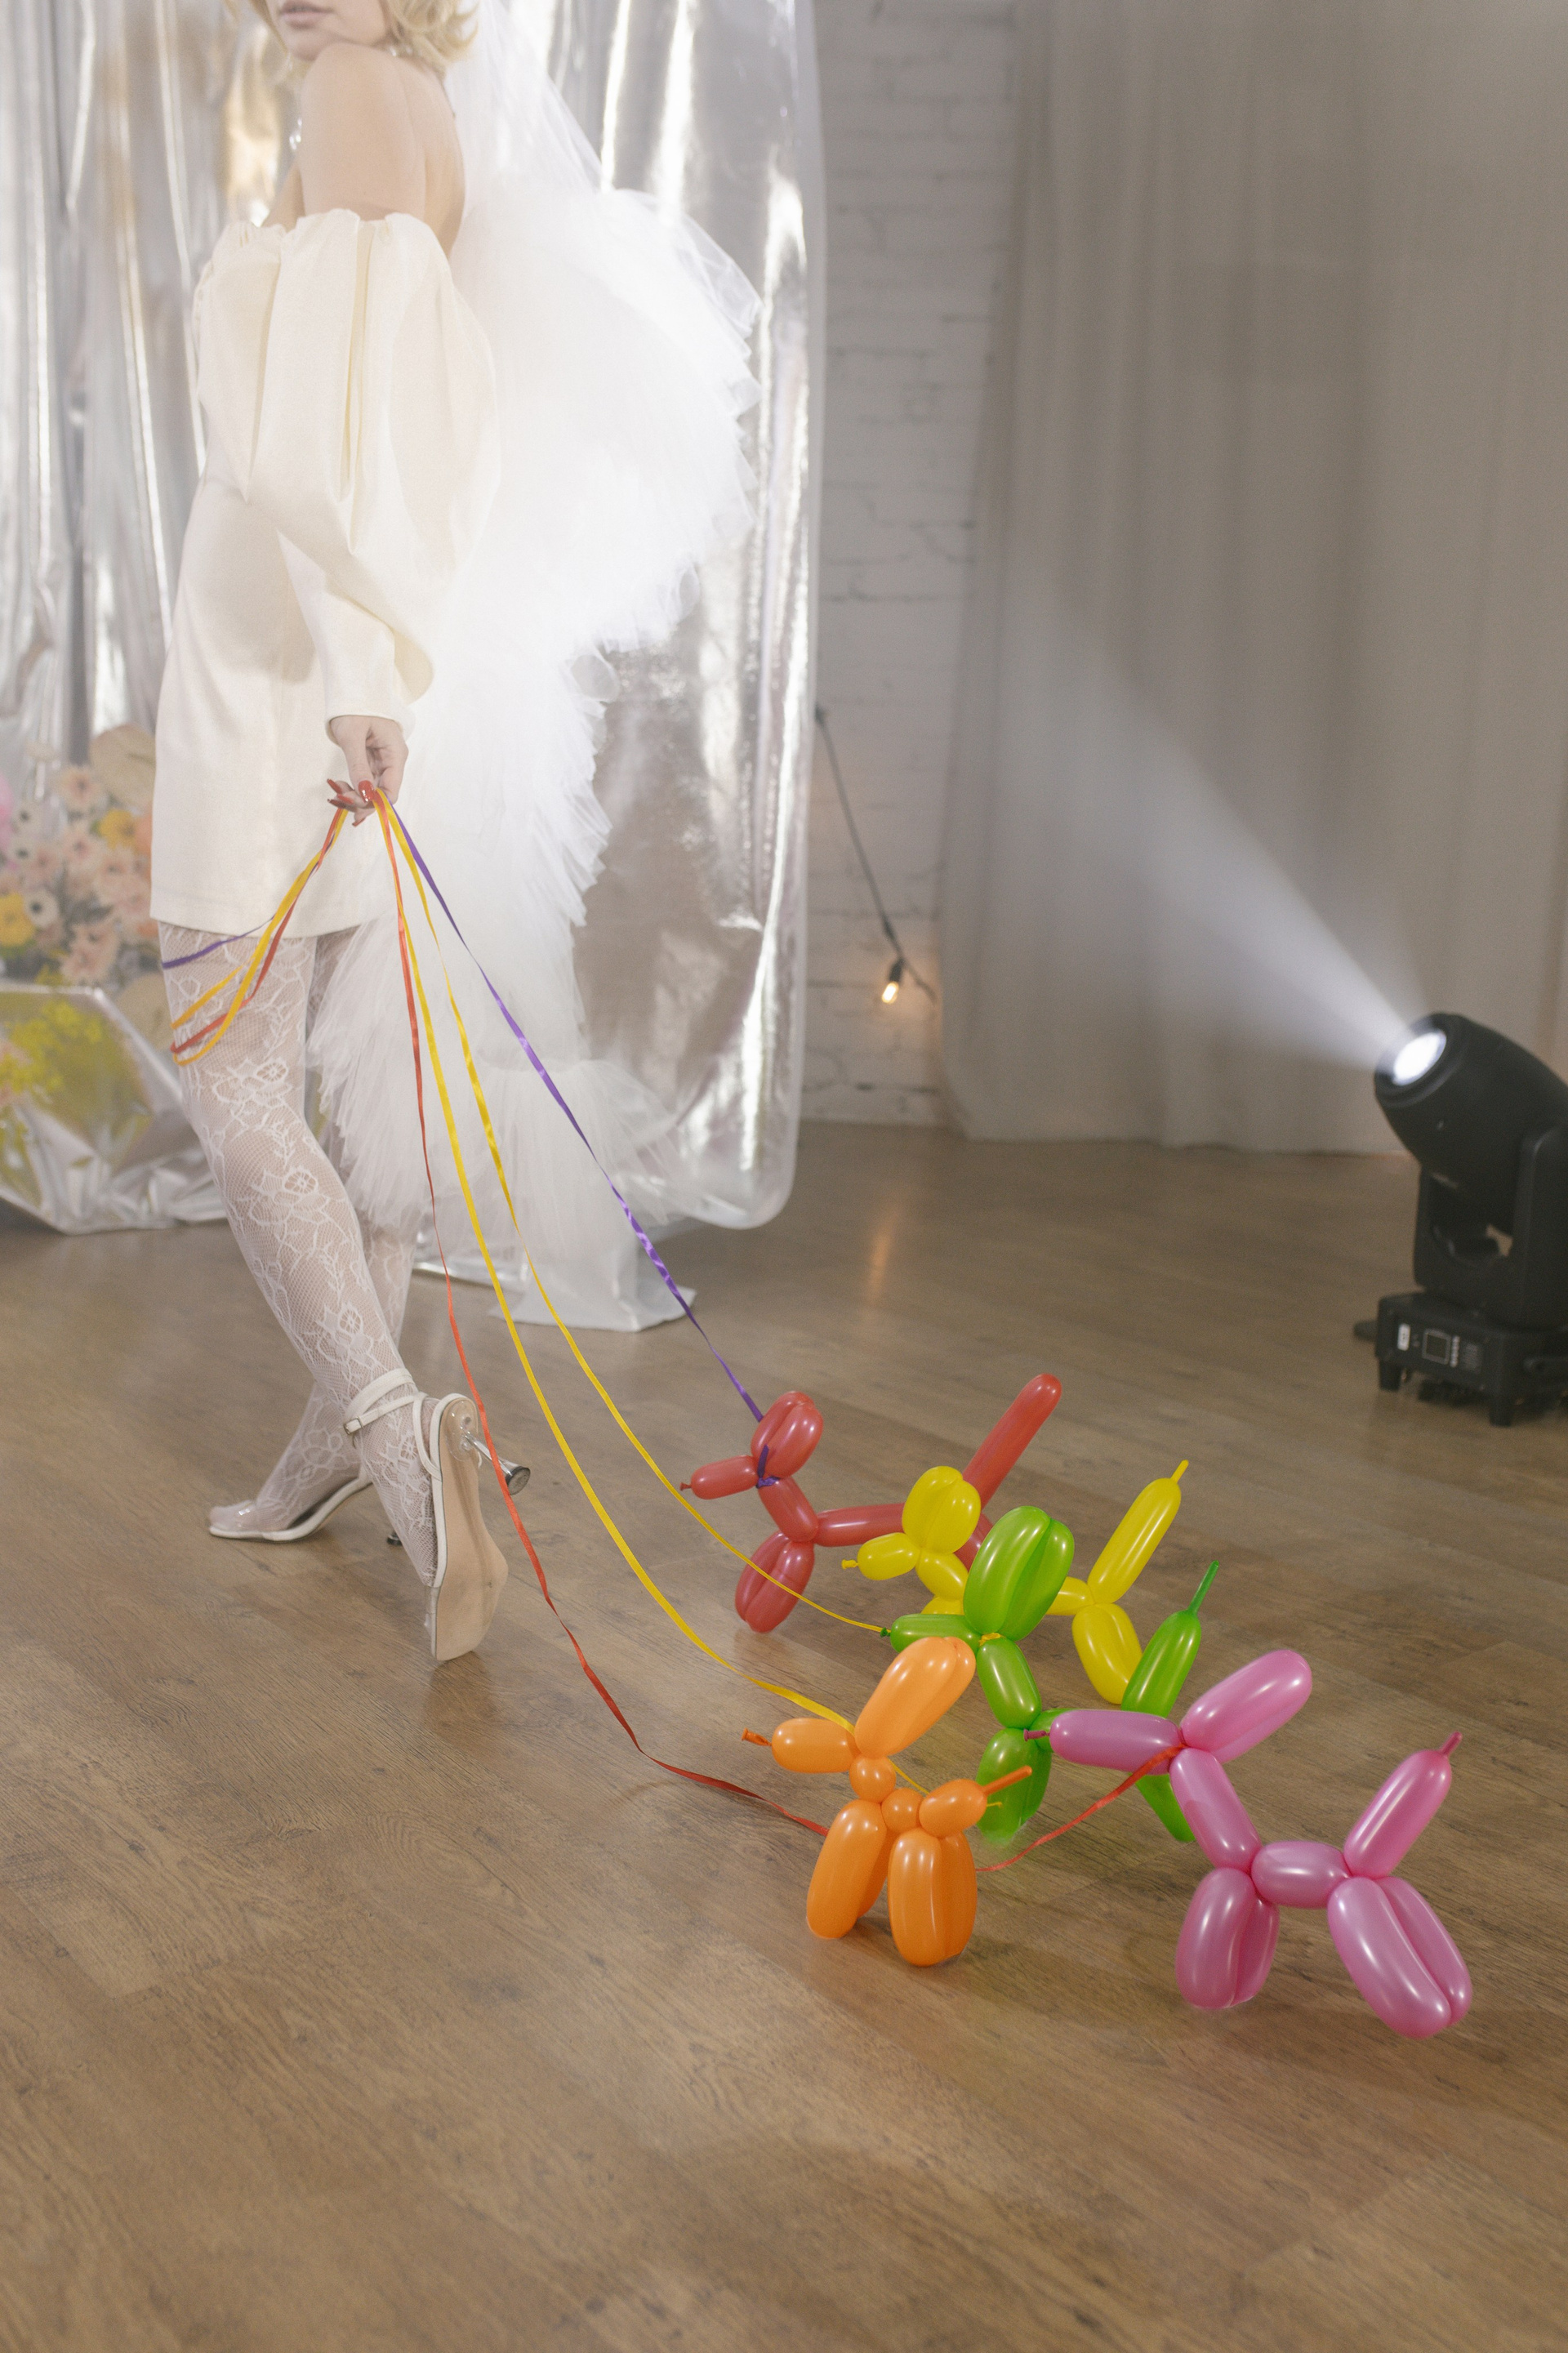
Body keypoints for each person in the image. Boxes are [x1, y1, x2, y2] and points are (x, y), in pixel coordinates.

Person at [152, 0, 757, 1660]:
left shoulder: (356, 86)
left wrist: (358, 661)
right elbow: (414, 411)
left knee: (233, 1076)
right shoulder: (417, 91)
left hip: (284, 655)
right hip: (339, 651)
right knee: (355, 1092)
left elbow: (353, 428)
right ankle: (328, 1449)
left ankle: (403, 1444)